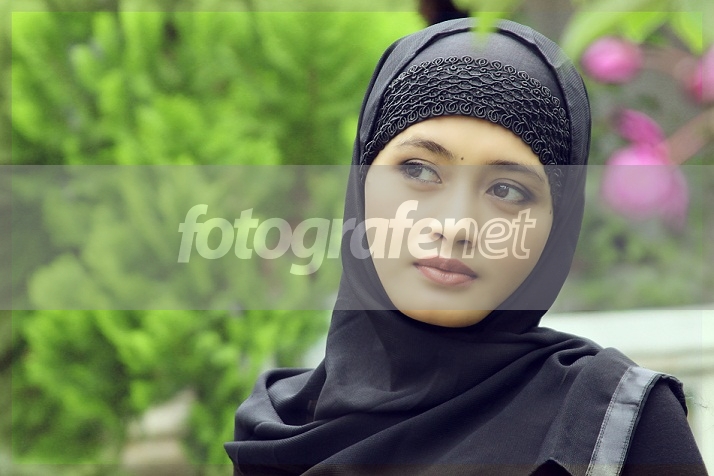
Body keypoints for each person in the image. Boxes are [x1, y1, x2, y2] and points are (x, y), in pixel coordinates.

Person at [224, 18, 708, 475]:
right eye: (418, 170)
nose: (456, 226)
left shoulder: (610, 428)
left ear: (556, 227)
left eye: (507, 190)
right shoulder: (278, 431)